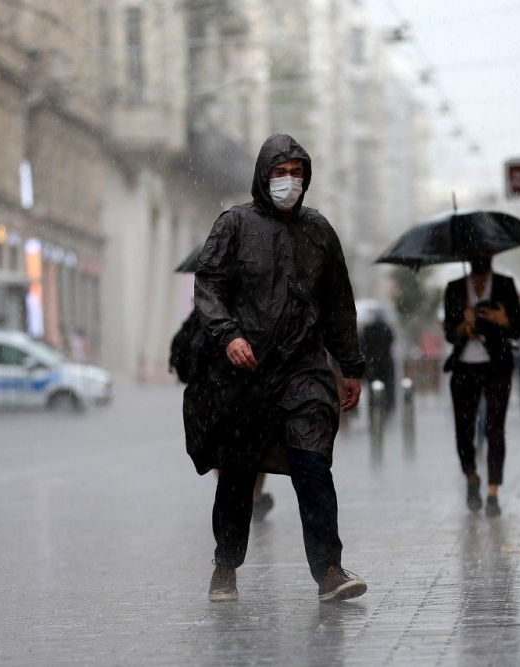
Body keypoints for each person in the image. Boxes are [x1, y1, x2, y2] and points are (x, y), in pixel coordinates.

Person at [183, 134, 367, 603]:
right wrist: (229, 336)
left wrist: (351, 365)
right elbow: (208, 289)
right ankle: (225, 565)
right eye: (279, 172)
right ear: (263, 177)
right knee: (238, 475)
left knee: (313, 464)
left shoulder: (319, 231)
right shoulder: (235, 225)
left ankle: (329, 570)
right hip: (245, 374)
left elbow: (339, 304)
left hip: (303, 368)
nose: (289, 181)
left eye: (296, 172)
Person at [443, 255, 520, 518]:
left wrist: (502, 320)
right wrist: (464, 324)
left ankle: (493, 491)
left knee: (496, 427)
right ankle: (471, 476)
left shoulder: (505, 285)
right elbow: (450, 332)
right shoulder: (454, 287)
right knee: (464, 428)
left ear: (491, 256)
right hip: (464, 366)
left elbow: (517, 328)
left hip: (497, 366)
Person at [170, 309, 274, 521]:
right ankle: (252, 495)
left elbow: (183, 354)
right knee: (255, 448)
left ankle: (231, 493)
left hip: (212, 397)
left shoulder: (200, 314)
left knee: (222, 451)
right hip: (241, 392)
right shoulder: (247, 311)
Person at [359, 311, 396, 415]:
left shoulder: (367, 329)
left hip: (372, 365)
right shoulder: (386, 329)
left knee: (373, 391)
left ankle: (374, 412)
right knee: (387, 389)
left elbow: (363, 347)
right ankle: (386, 411)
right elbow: (390, 342)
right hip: (385, 365)